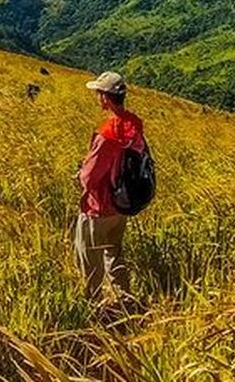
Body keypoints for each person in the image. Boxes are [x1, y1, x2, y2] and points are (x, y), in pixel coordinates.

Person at [74, 70, 145, 307]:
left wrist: (80, 174)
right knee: (114, 250)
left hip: (99, 205)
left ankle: (92, 307)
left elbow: (90, 177)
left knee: (89, 259)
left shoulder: (107, 134)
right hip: (121, 203)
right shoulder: (134, 124)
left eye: (98, 93)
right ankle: (125, 298)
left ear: (105, 98)